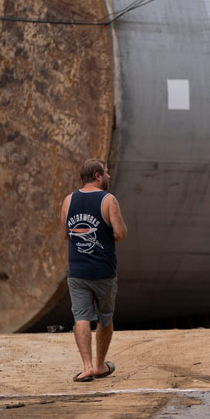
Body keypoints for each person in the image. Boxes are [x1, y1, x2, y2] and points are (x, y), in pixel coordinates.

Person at [60, 158, 128, 382]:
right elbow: (119, 233)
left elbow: (65, 234)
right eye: (106, 173)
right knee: (105, 319)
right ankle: (100, 366)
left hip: (77, 272)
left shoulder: (68, 201)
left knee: (81, 317)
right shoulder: (108, 200)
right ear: (98, 176)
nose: (108, 176)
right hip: (103, 272)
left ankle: (86, 366)